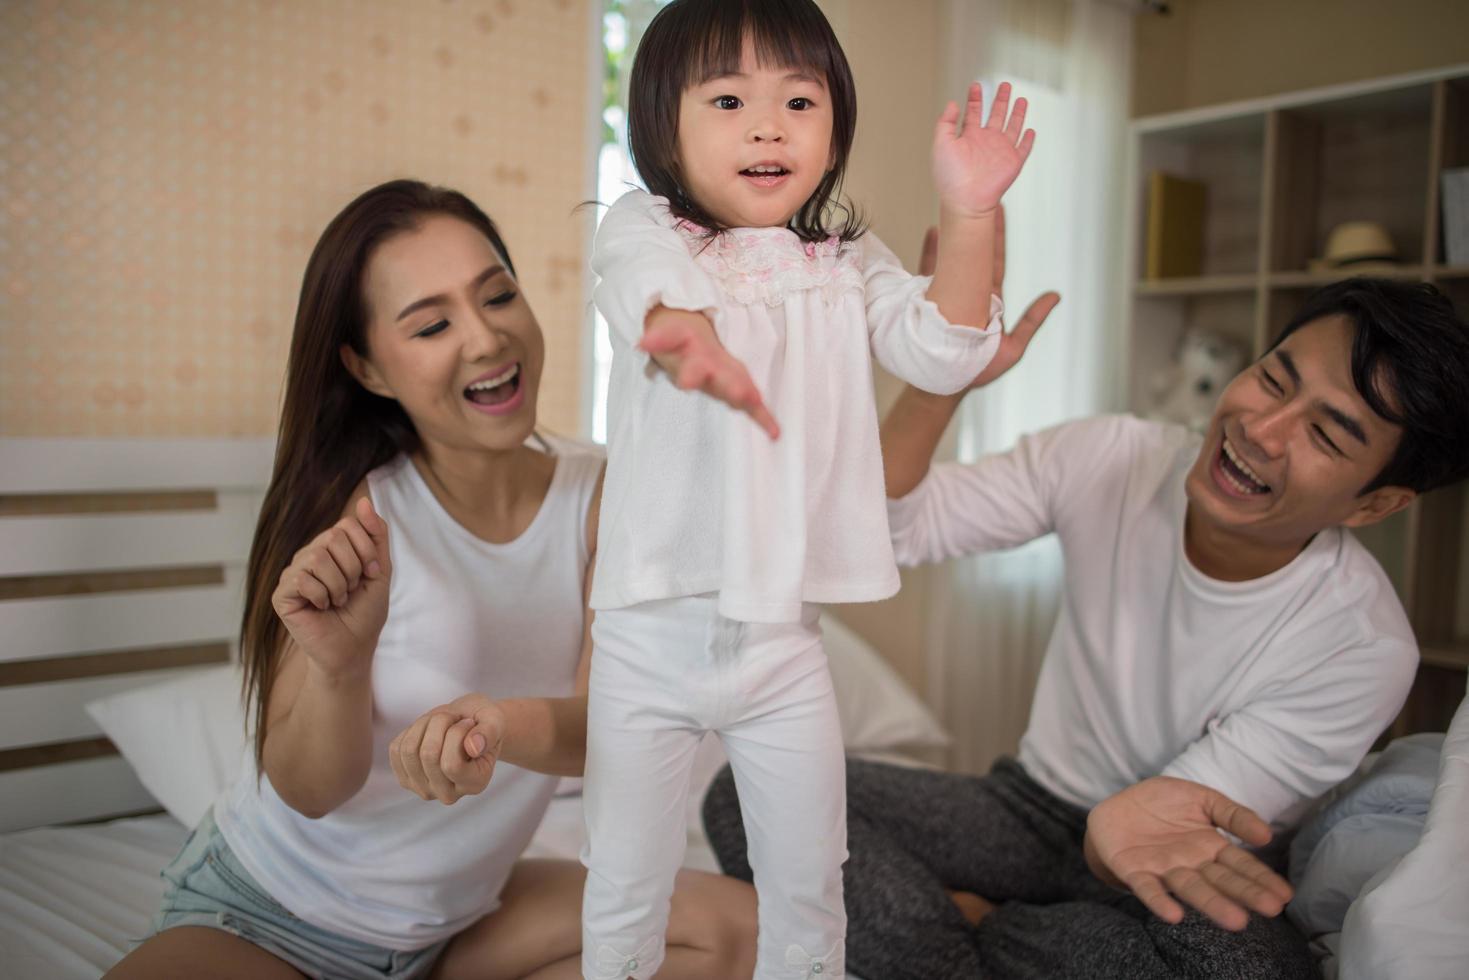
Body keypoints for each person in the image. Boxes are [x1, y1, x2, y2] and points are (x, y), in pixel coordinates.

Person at [704, 268, 1469, 979]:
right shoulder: (1111, 457)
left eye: (1326, 435)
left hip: (1176, 862)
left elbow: (1157, 830)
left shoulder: (1360, 646)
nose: (1263, 430)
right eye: (1272, 378)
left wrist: (1068, 874)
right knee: (748, 794)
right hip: (1025, 812)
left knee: (1247, 965)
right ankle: (989, 945)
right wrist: (942, 378)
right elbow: (880, 530)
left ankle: (969, 937)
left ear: (1374, 505)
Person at [105, 180, 756, 980]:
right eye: (433, 324)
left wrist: (494, 726)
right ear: (368, 368)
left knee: (737, 929)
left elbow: (605, 730)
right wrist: (339, 665)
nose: (486, 339)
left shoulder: (601, 498)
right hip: (265, 919)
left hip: (458, 932)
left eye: (498, 296)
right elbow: (308, 790)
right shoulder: (356, 514)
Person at [579, 0, 1035, 975]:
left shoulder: (845, 266)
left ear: (832, 130)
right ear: (663, 126)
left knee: (810, 891)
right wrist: (682, 335)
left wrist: (970, 212)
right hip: (646, 634)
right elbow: (639, 284)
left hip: (782, 645)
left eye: (799, 98)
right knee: (623, 883)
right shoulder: (646, 227)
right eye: (729, 98)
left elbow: (945, 349)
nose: (768, 124)